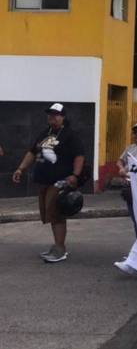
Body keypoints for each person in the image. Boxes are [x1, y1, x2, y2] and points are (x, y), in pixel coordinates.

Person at [12, 103, 85, 263]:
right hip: (44, 181)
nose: (52, 116)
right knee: (50, 214)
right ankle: (57, 245)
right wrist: (20, 169)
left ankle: (60, 249)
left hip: (60, 181)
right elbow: (32, 152)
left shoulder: (70, 135)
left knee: (56, 213)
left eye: (56, 114)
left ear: (63, 117)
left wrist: (75, 175)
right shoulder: (45, 133)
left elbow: (79, 156)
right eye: (50, 114)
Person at [116, 122, 137, 237]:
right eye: (135, 133)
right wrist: (121, 168)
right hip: (129, 186)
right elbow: (120, 161)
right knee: (135, 219)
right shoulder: (130, 148)